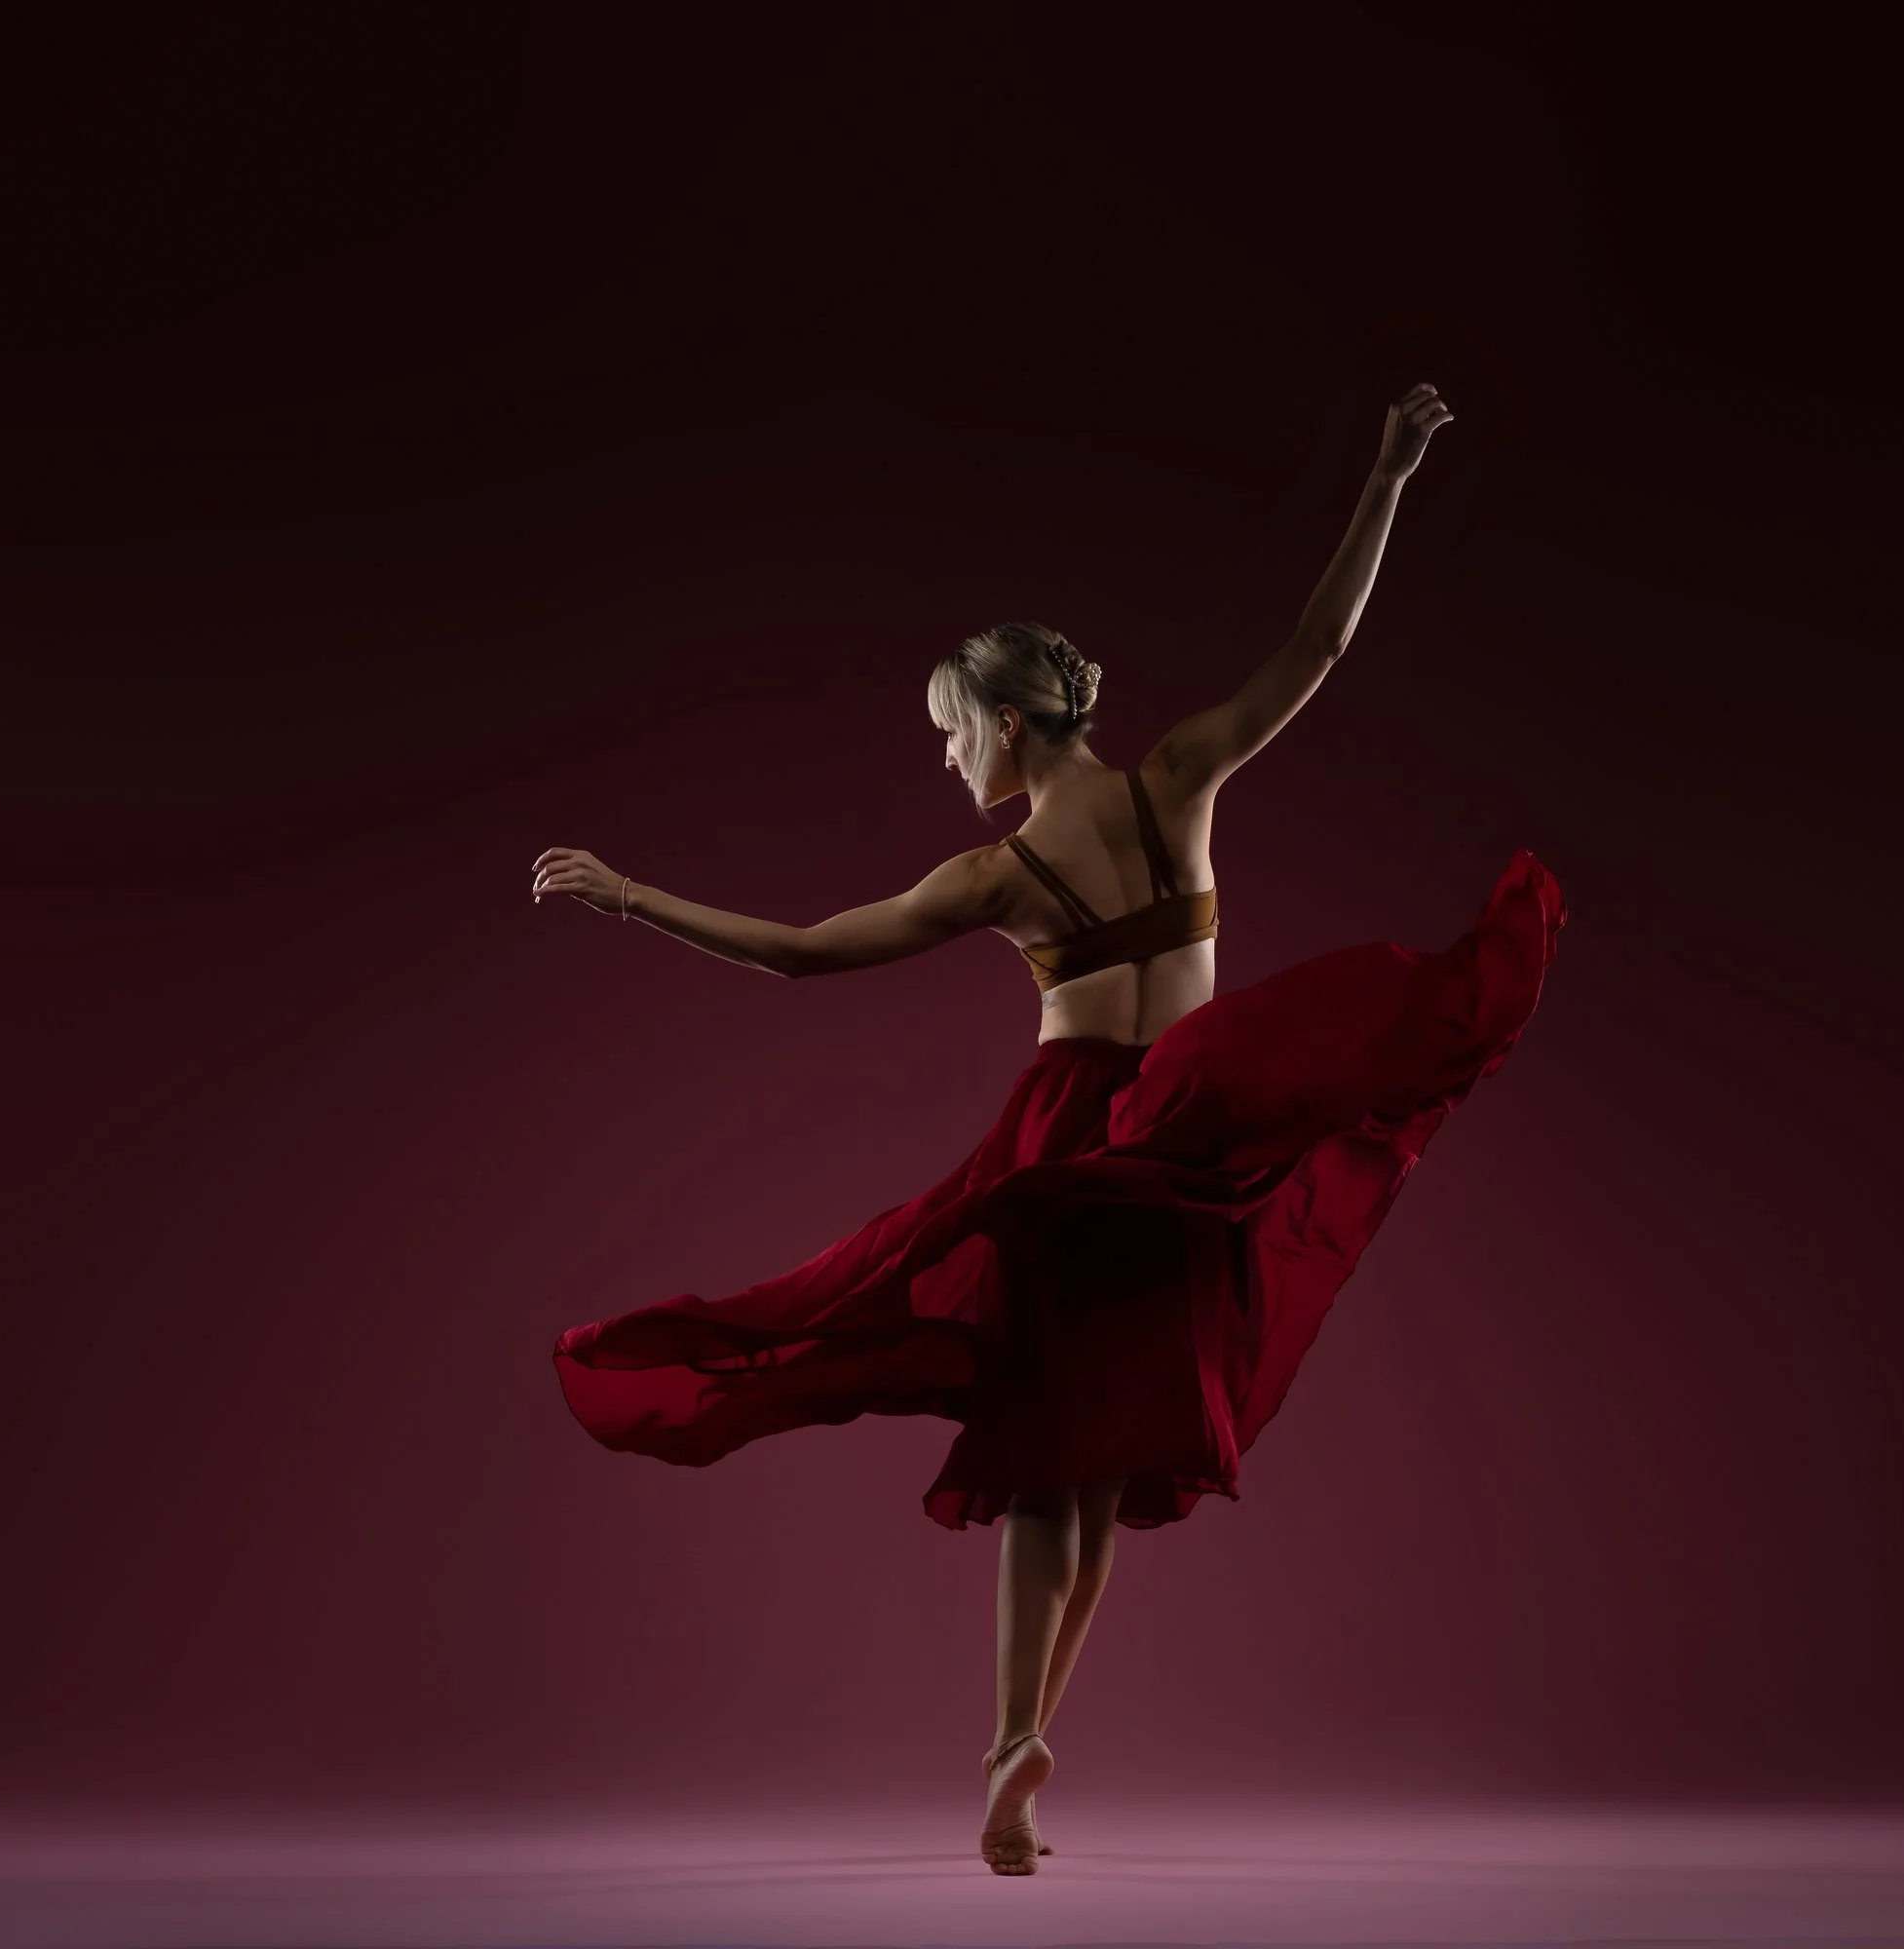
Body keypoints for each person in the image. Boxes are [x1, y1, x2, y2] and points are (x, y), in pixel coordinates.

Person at [531, 383, 1566, 1876]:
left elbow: (805, 951)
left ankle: (1016, 1735)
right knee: (1096, 1458)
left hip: (1074, 1144)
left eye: (955, 736)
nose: (952, 763)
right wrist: (1389, 476)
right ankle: (1023, 1744)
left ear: (1010, 724)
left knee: (1036, 1447)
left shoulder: (994, 875)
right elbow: (1319, 647)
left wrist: (634, 897)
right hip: (1198, 1142)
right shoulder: (1182, 784)